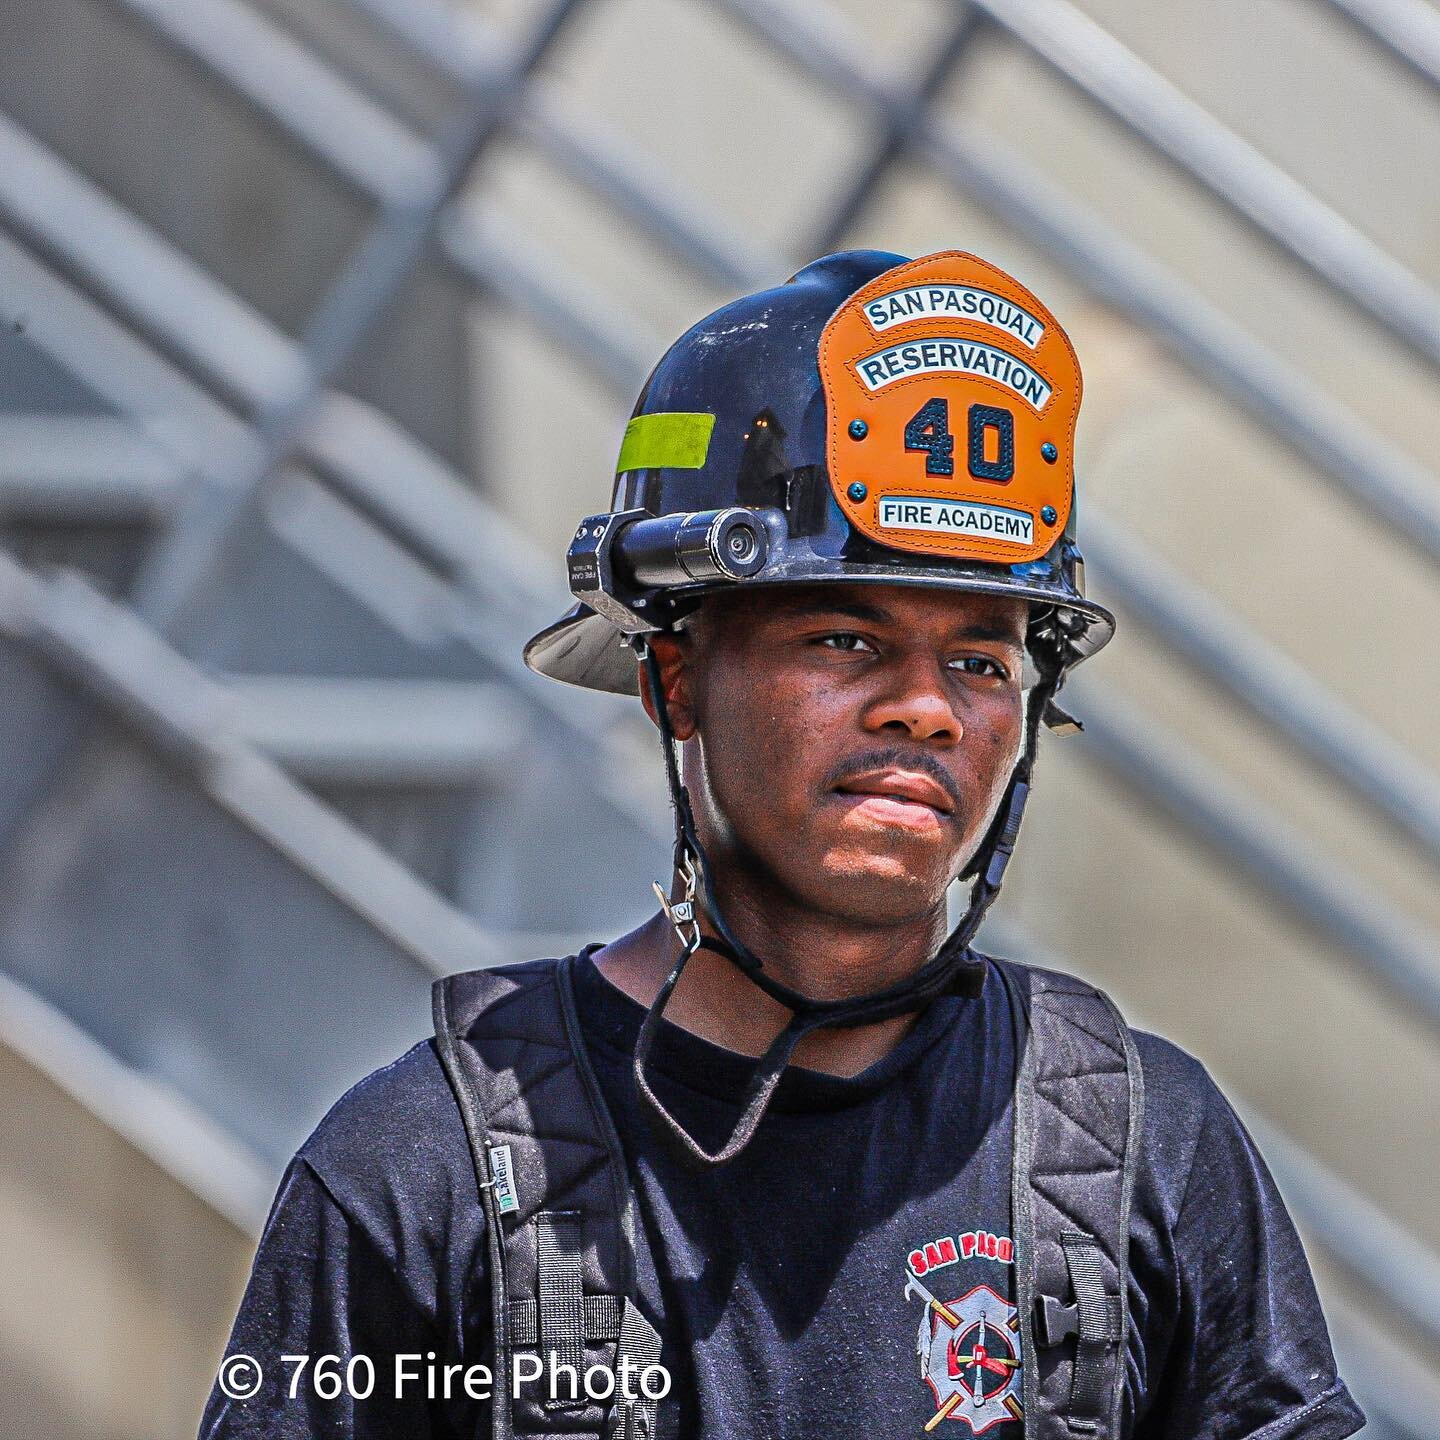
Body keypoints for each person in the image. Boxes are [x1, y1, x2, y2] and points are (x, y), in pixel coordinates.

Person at [199, 251, 1364, 1440]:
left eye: (981, 660)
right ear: (673, 679)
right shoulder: (419, 1175)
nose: (926, 708)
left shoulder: (1146, 1155)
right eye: (845, 639)